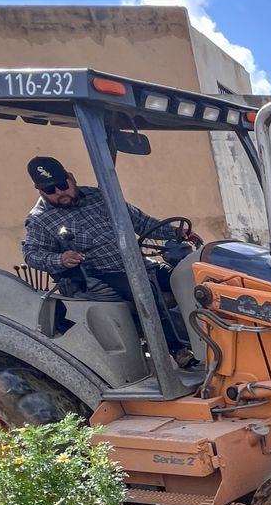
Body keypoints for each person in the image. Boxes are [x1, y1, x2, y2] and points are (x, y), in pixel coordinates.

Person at [21, 156, 198, 367]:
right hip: (103, 275)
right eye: (51, 190)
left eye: (61, 185)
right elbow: (32, 254)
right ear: (40, 191)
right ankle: (178, 351)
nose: (60, 193)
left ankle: (206, 337)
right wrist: (60, 259)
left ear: (71, 178)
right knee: (143, 292)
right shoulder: (40, 219)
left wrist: (177, 232)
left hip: (140, 265)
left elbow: (141, 222)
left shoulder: (100, 197)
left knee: (188, 279)